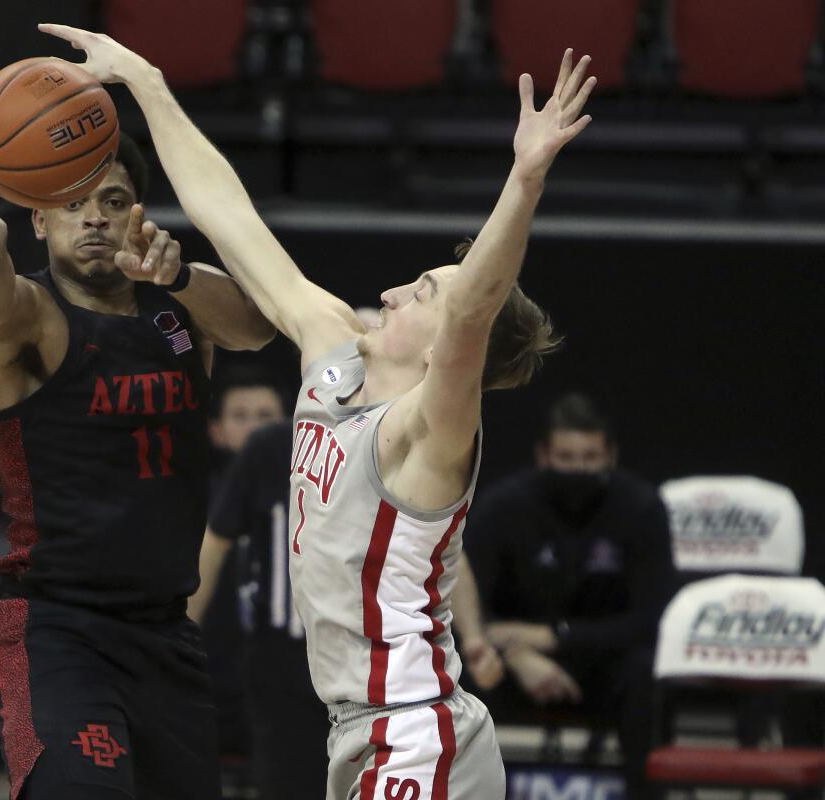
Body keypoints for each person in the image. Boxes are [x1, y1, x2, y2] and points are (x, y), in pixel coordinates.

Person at [40, 23, 593, 798]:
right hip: (359, 727)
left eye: (423, 292)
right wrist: (146, 81)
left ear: (444, 352)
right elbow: (231, 221)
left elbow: (473, 311)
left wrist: (525, 181)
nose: (398, 290)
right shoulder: (334, 351)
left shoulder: (424, 436)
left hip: (414, 732)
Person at [0, 133, 275, 799]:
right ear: (38, 220)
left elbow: (257, 327)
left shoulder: (177, 310)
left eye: (113, 200)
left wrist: (180, 274)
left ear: (138, 216)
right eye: (72, 204)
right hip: (58, 629)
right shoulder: (33, 314)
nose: (95, 216)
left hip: (165, 633)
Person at [191, 417, 505, 800]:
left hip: (379, 667)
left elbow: (443, 546)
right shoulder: (272, 446)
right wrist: (182, 634)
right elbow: (216, 540)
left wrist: (473, 637)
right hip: (284, 665)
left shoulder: (400, 435)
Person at [464, 393, 676, 797]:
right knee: (460, 671)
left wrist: (555, 637)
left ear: (611, 456)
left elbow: (652, 619)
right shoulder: (503, 508)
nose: (578, 468)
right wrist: (518, 656)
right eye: (566, 457)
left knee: (645, 673)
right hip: (515, 662)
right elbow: (467, 608)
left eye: (590, 457)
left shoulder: (642, 509)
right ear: (543, 455)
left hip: (605, 666)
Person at [200, 364, 288, 774]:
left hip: (286, 686)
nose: (255, 429)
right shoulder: (189, 505)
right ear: (215, 430)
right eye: (240, 416)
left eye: (266, 417)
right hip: (207, 686)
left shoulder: (312, 502)